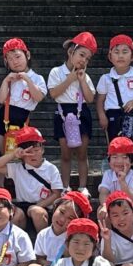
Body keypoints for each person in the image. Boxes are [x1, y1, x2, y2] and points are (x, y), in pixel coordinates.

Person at [0, 126, 64, 233]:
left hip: (43, 206)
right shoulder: (17, 168)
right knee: (15, 215)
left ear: (42, 150)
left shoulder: (51, 169)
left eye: (36, 150)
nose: (33, 155)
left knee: (37, 212)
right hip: (22, 205)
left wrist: (37, 206)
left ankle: (42, 241)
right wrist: (13, 155)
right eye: (28, 152)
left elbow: (57, 194)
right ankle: (15, 241)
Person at [49, 31, 98, 189]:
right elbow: (53, 94)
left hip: (81, 112)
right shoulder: (56, 72)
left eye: (87, 58)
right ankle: (65, 187)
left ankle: (83, 187)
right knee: (65, 153)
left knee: (82, 153)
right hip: (63, 112)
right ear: (71, 52)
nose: (84, 60)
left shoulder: (85, 76)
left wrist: (82, 80)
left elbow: (90, 98)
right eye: (81, 55)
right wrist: (70, 79)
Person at [96, 34, 133, 144]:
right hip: (113, 116)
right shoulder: (105, 78)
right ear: (110, 56)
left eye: (125, 52)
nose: (120, 56)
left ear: (132, 56)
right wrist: (102, 116)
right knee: (115, 147)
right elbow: (100, 100)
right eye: (116, 52)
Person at [0, 37, 47, 156]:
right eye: (10, 59)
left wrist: (28, 80)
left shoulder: (37, 78)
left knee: (20, 151)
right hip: (5, 116)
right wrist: (5, 81)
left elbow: (38, 97)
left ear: (27, 55)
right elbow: (1, 99)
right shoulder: (9, 79)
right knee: (3, 152)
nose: (15, 61)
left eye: (17, 57)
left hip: (22, 117)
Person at [97, 136, 133, 224]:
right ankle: (108, 232)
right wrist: (104, 205)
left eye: (124, 157)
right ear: (109, 161)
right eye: (114, 157)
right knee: (101, 209)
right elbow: (103, 192)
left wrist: (122, 181)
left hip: (132, 209)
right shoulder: (108, 174)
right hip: (113, 208)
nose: (119, 161)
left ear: (132, 162)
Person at [33, 191, 93, 266]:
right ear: (55, 208)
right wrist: (47, 264)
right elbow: (39, 258)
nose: (62, 219)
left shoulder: (76, 239)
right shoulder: (43, 234)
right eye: (61, 212)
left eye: (70, 218)